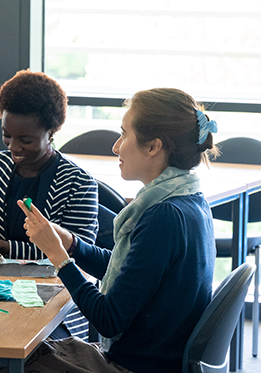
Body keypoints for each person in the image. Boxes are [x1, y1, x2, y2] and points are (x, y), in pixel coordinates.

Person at [21, 87, 217, 373]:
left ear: (153, 147)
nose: (116, 146)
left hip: (134, 366)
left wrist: (57, 257)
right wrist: (73, 245)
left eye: (124, 134)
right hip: (155, 359)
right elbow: (131, 277)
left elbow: (108, 318)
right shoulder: (190, 201)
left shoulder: (163, 217)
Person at [0, 70, 99, 339]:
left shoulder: (78, 182)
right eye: (6, 135)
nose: (13, 147)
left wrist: (7, 247)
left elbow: (77, 255)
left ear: (52, 132)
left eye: (26, 140)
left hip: (52, 302)